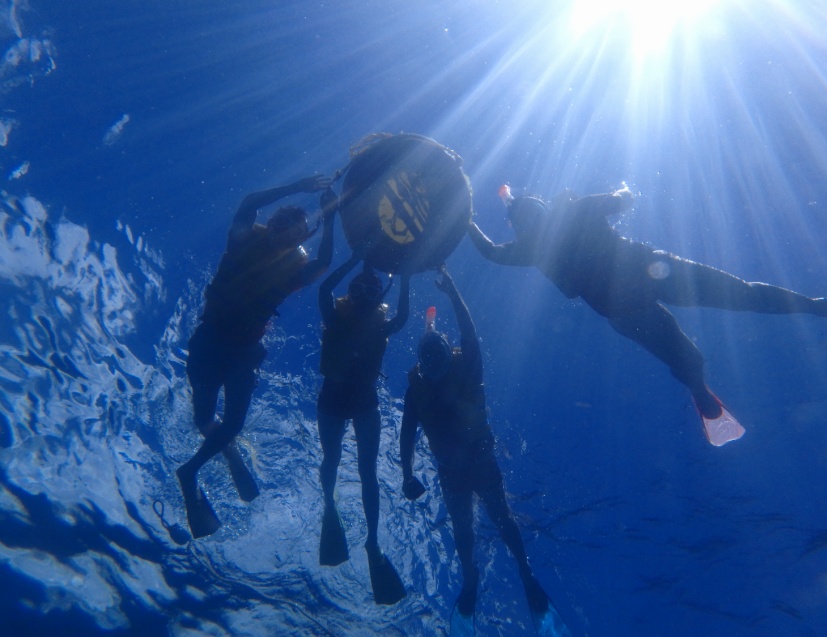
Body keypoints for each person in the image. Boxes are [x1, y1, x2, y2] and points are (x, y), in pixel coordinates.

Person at [467, 184, 827, 446]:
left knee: (691, 356)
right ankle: (819, 306)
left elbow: (488, 251)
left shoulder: (531, 249)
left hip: (625, 307)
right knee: (742, 295)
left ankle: (700, 389)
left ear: (518, 226)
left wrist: (464, 218)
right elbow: (625, 199)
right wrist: (622, 189)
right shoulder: (574, 211)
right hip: (652, 272)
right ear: (542, 206)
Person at [400, 267, 571, 636]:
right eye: (430, 364)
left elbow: (468, 329)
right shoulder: (418, 390)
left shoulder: (468, 367)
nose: (436, 368)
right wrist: (406, 474)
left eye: (440, 360)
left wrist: (455, 291)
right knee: (469, 529)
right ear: (425, 365)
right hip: (455, 471)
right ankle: (471, 578)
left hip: (478, 462)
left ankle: (524, 575)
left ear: (450, 354)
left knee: (501, 519)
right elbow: (406, 434)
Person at [177, 175, 337, 539]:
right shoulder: (242, 240)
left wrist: (331, 218)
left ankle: (191, 470)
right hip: (208, 343)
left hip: (244, 354)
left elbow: (324, 260)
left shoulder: (292, 273)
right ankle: (228, 452)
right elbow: (249, 201)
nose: (285, 236)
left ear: (300, 242)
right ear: (273, 221)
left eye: (296, 235)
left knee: (232, 422)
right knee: (204, 418)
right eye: (282, 224)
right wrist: (302, 185)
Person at [316, 250, 411, 605]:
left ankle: (372, 541)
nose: (364, 296)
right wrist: (355, 258)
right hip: (333, 399)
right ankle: (330, 505)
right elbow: (324, 290)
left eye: (372, 292)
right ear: (350, 291)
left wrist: (405, 275)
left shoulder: (382, 325)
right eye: (359, 289)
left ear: (378, 298)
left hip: (362, 401)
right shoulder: (335, 317)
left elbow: (402, 316)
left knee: (367, 471)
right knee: (331, 459)